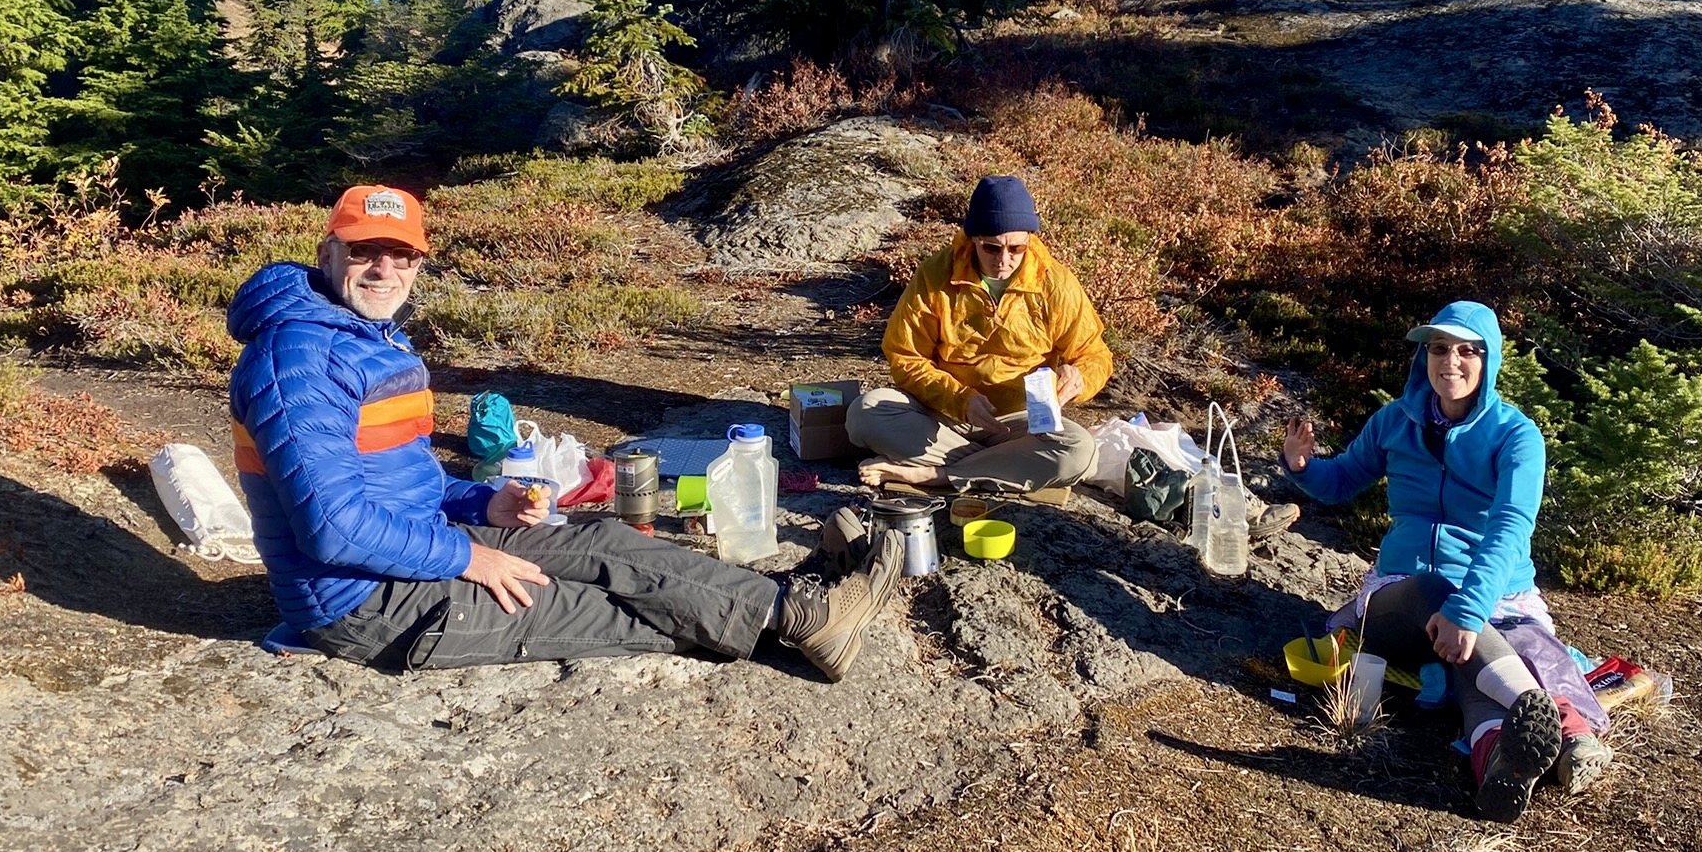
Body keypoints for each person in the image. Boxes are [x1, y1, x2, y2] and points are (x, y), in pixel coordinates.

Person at [227, 184, 899, 680]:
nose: (385, 270)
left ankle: (791, 603)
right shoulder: (298, 358)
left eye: (402, 255)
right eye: (365, 251)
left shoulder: (362, 336)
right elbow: (333, 529)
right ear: (328, 252)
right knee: (590, 600)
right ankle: (803, 624)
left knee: (603, 539)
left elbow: (401, 476)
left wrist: (481, 503)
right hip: (366, 602)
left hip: (415, 549)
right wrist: (466, 556)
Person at [1281, 300, 1611, 823]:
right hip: (1403, 598)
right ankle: (1554, 719)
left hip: (1495, 597)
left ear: (1489, 359)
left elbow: (1510, 526)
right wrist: (1302, 466)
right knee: (1435, 593)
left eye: (1466, 351)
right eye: (1439, 348)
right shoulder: (1394, 420)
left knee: (1502, 654)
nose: (1450, 361)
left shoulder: (1516, 435)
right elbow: (1342, 480)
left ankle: (1502, 759)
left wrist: (1470, 610)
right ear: (1425, 357)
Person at [850, 175, 1111, 494]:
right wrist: (960, 399)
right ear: (973, 238)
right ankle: (999, 467)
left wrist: (1080, 376)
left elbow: (1094, 354)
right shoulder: (936, 275)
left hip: (1022, 422)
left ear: (1030, 239)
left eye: (1016, 248)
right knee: (864, 413)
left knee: (1081, 452)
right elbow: (906, 356)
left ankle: (934, 474)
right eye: (991, 247)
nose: (1004, 260)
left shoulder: (1055, 283)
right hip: (944, 416)